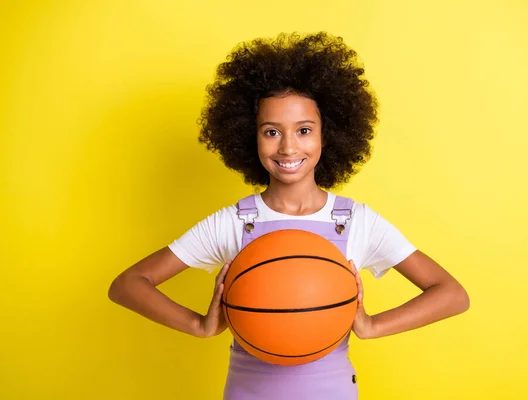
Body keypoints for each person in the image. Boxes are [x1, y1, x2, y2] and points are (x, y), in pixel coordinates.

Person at [108, 31, 470, 399]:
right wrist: (199, 325)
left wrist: (371, 325)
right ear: (250, 138)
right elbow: (128, 284)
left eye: (304, 130)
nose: (288, 146)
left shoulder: (356, 221)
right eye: (271, 132)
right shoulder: (235, 222)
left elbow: (452, 294)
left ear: (327, 136)